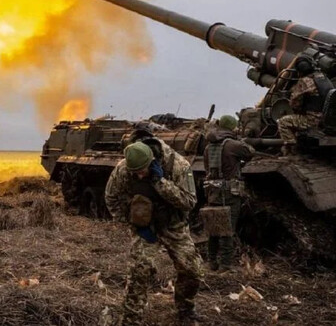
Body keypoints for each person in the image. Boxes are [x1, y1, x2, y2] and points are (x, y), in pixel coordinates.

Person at [105, 136, 204, 326]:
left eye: (142, 171)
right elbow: (111, 198)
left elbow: (189, 202)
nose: (139, 176)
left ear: (152, 161)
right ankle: (131, 320)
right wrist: (131, 224)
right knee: (139, 270)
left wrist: (161, 183)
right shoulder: (124, 168)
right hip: (145, 227)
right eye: (135, 173)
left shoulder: (178, 166)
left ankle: (185, 309)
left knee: (192, 269)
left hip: (173, 225)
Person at [202, 115, 255, 272]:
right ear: (232, 127)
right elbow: (250, 152)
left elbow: (207, 168)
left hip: (212, 191)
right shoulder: (233, 145)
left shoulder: (208, 147)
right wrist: (241, 140)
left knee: (213, 228)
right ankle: (226, 264)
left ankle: (211, 261)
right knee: (227, 229)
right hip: (229, 192)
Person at [277, 57, 333, 155]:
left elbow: (294, 104)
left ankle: (292, 149)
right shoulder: (323, 77)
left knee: (283, 122)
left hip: (313, 120)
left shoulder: (304, 81)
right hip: (328, 118)